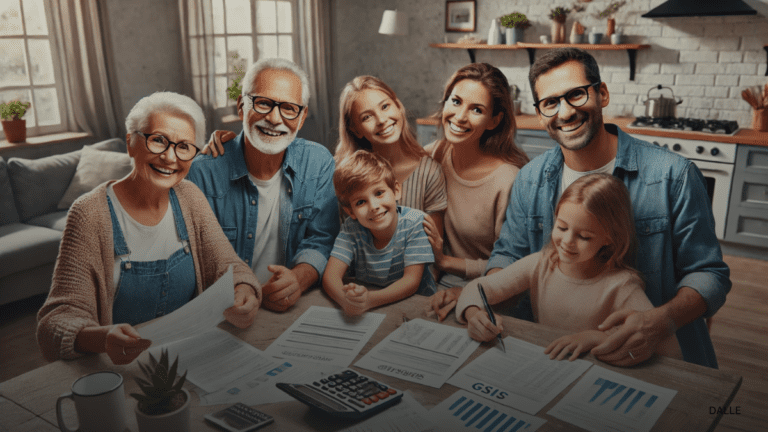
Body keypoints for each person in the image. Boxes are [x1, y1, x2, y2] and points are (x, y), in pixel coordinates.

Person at [482, 48, 729, 368]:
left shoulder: (673, 175)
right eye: (551, 102)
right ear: (540, 114)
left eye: (576, 95)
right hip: (555, 354)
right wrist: (485, 301)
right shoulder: (531, 178)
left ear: (602, 93)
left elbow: (708, 274)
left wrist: (660, 322)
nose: (566, 112)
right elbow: (508, 256)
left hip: (653, 359)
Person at [37, 92, 261, 365]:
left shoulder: (189, 196)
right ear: (131, 143)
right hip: (122, 371)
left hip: (190, 357)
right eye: (158, 141)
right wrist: (101, 338)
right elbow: (55, 322)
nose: (169, 157)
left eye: (184, 147)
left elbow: (230, 265)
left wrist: (244, 290)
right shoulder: (89, 214)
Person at [455, 174, 682, 362]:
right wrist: (474, 314)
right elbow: (478, 288)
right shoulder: (541, 263)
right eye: (561, 227)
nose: (567, 242)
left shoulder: (621, 285)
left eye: (584, 236)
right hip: (547, 363)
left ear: (609, 239)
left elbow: (669, 349)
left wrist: (596, 338)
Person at [186, 58, 340, 312]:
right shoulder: (201, 173)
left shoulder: (319, 162)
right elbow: (193, 261)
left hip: (290, 307)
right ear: (241, 107)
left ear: (301, 118)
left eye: (289, 108)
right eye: (264, 103)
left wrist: (298, 280)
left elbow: (321, 239)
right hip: (224, 310)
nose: (274, 118)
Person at [423, 63, 528, 315]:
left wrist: (446, 261)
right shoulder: (433, 154)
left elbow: (517, 268)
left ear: (494, 121)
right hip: (434, 279)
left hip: (490, 291)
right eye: (456, 101)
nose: (460, 117)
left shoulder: (509, 180)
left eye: (476, 110)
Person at [323, 151, 436, 316]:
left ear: (396, 190)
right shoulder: (351, 227)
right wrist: (345, 300)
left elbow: (411, 281)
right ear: (350, 211)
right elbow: (331, 276)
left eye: (379, 193)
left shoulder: (415, 221)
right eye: (361, 202)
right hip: (372, 307)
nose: (373, 206)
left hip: (416, 307)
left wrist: (370, 300)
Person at [335, 76, 447, 229]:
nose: (381, 120)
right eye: (367, 117)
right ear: (356, 130)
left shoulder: (429, 173)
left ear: (398, 106)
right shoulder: (346, 177)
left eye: (385, 106)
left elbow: (433, 246)